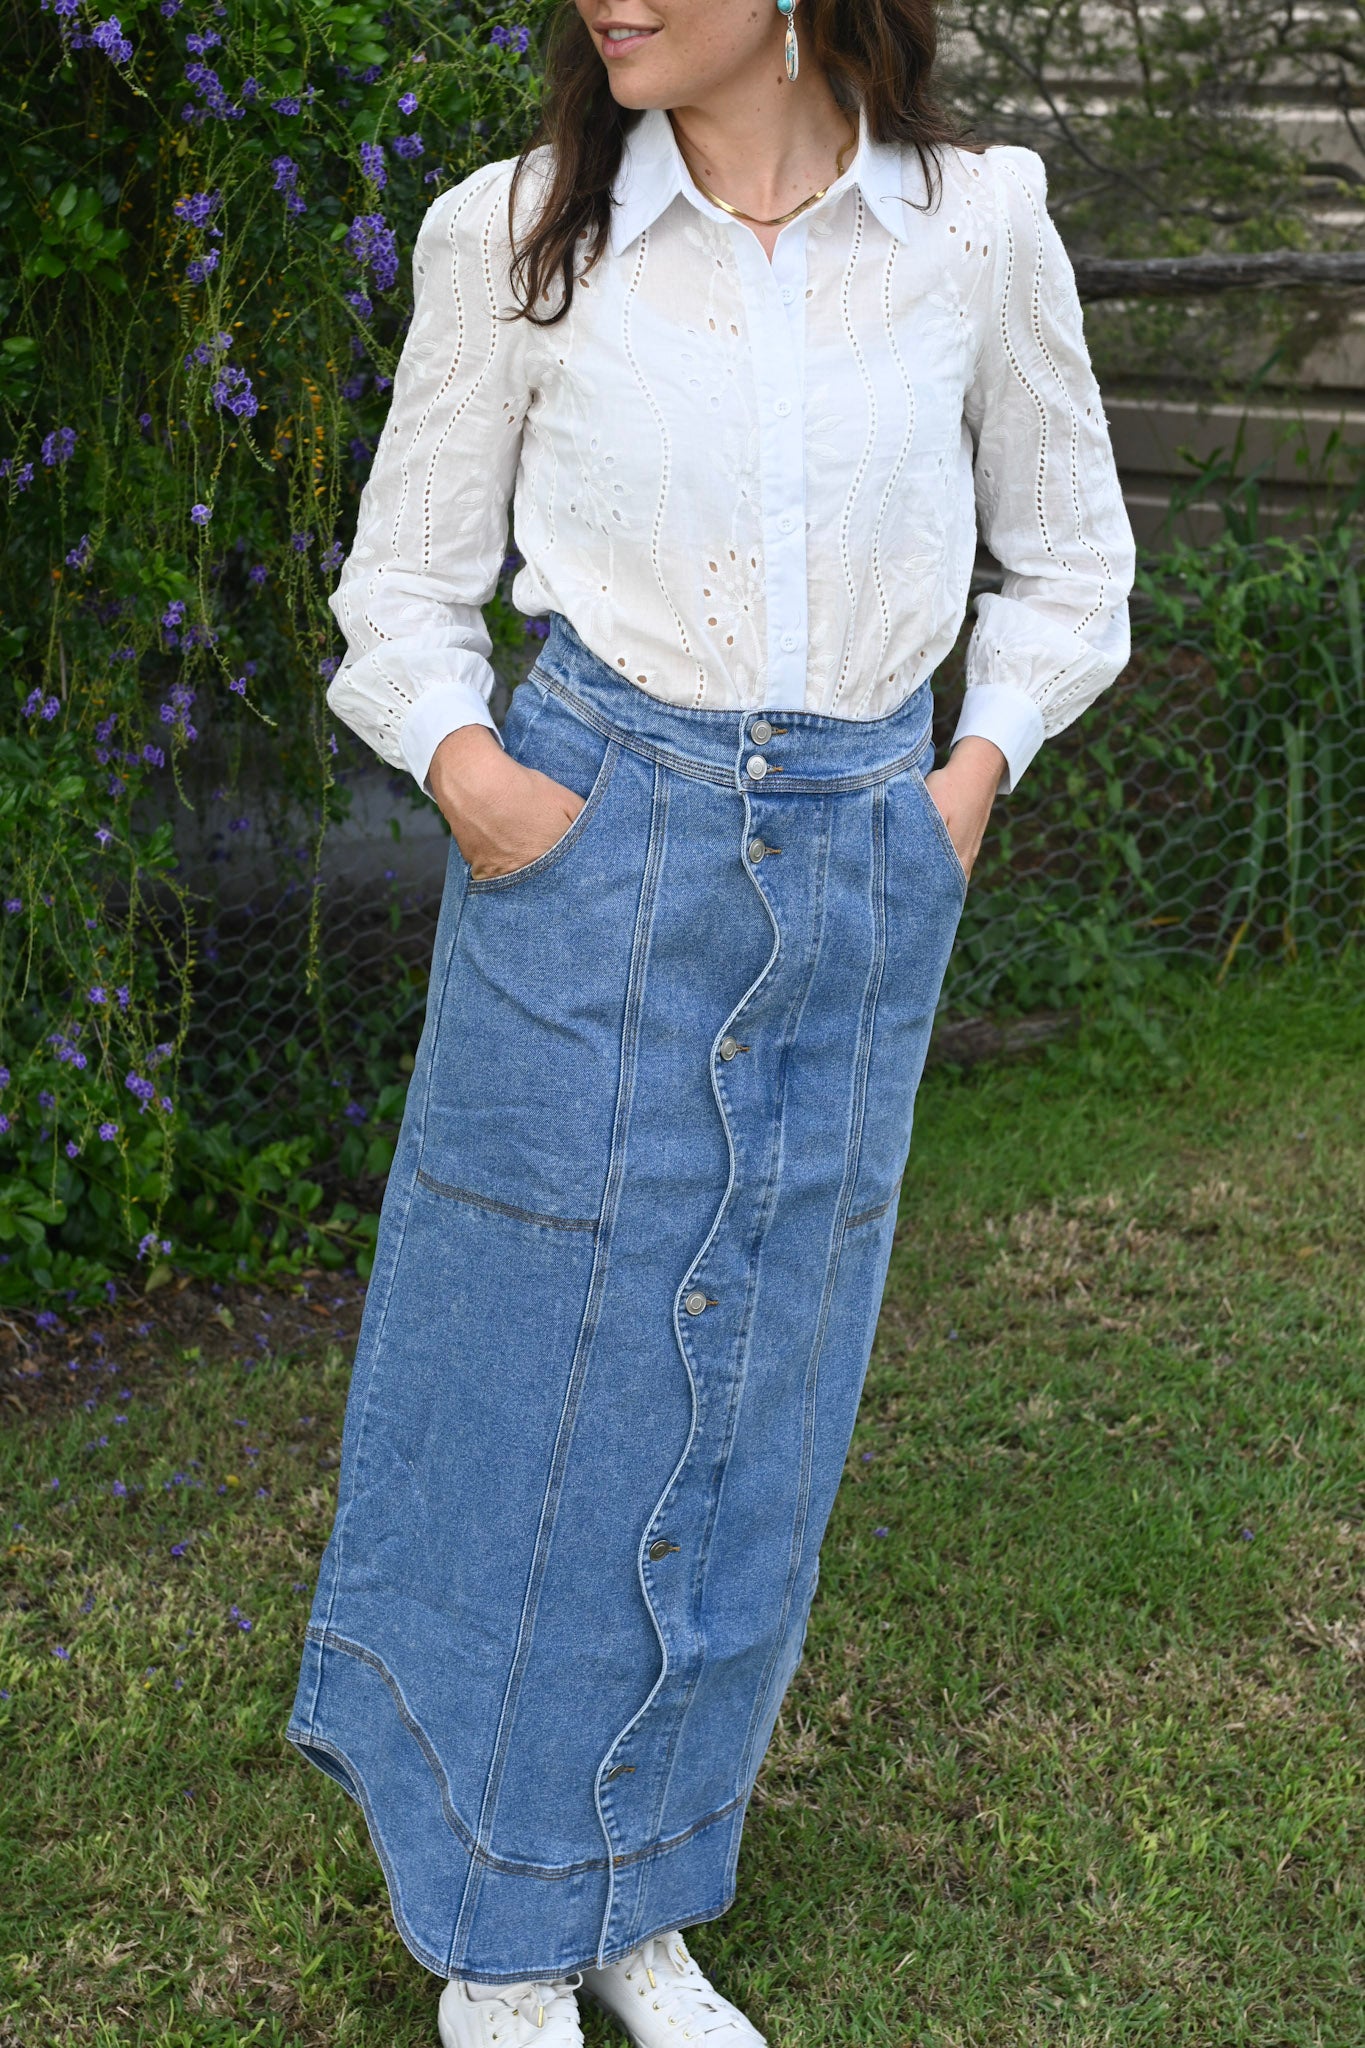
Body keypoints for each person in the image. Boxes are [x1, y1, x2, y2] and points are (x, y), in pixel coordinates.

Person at [286, 0, 1135, 2033]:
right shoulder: (518, 234)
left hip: (858, 847)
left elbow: (1074, 566)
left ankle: (633, 1902)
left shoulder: (974, 228)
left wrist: (967, 773)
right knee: (535, 1369)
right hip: (591, 836)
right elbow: (399, 597)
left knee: (754, 1384)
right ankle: (496, 1933)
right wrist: (475, 776)